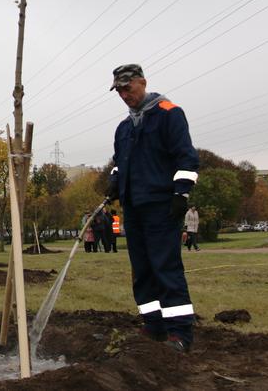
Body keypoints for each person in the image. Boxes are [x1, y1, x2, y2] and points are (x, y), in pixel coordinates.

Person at [105, 64, 199, 353]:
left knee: (165, 267)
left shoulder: (169, 114)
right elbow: (121, 161)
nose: (123, 94)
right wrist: (114, 179)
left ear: (142, 83)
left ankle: (180, 332)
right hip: (133, 207)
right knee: (142, 269)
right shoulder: (124, 128)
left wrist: (180, 193)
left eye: (127, 88)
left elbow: (187, 158)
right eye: (119, 90)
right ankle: (153, 325)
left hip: (161, 206)